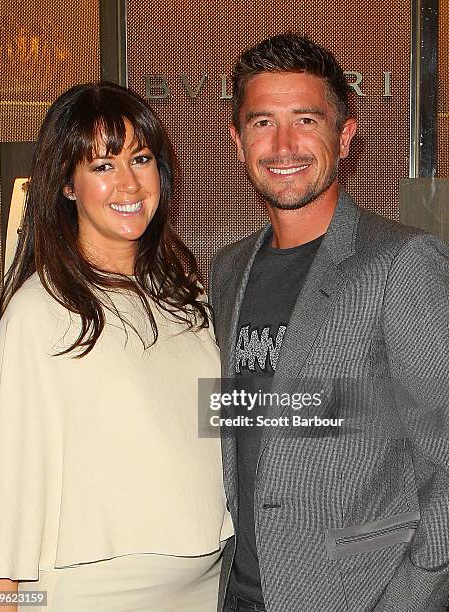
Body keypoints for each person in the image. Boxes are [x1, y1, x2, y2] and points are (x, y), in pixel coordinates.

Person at [210, 33, 449, 611]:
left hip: (352, 592)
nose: (284, 144)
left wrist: (406, 602)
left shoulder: (402, 263)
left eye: (306, 120)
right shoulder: (228, 270)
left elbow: (443, 464)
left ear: (345, 136)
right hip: (237, 594)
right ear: (237, 140)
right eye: (262, 121)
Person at [0, 82, 233, 612]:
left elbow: (213, 424)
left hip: (207, 584)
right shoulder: (40, 312)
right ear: (67, 185)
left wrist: (346, 407)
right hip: (92, 593)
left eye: (140, 158)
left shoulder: (185, 295)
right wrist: (1, 601)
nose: (129, 183)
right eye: (102, 165)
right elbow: (8, 486)